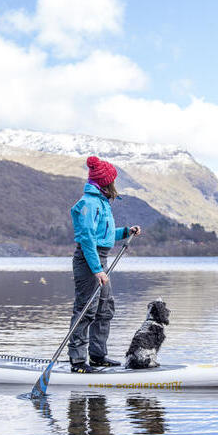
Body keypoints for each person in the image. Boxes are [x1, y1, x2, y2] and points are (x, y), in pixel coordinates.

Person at [69, 155, 141, 373]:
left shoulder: (101, 202)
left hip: (100, 259)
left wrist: (126, 231)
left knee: (104, 309)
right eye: (112, 180)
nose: (115, 184)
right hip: (88, 260)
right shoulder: (87, 204)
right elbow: (87, 239)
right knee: (85, 310)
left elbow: (105, 236)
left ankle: (98, 356)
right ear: (105, 182)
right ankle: (78, 362)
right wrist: (97, 270)